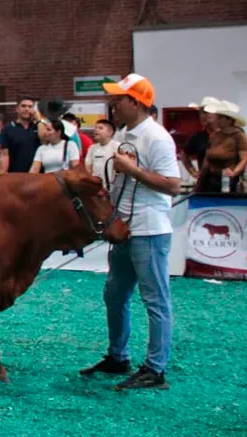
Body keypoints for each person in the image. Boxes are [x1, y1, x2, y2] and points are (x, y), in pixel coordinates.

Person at [81, 73, 181, 391]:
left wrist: (132, 170)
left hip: (149, 229)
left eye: (118, 100)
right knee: (114, 294)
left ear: (136, 103)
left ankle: (155, 368)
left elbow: (173, 185)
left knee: (155, 299)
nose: (114, 106)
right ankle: (118, 356)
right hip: (126, 227)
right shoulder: (127, 133)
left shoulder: (157, 137)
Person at [195, 100, 247, 193]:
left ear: (229, 120)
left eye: (220, 117)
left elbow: (244, 159)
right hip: (211, 180)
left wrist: (234, 173)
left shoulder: (238, 135)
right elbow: (207, 160)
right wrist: (199, 181)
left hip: (229, 181)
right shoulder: (215, 136)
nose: (217, 120)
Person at [180, 97, 220, 181]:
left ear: (217, 114)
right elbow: (184, 154)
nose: (202, 116)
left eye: (206, 113)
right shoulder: (199, 137)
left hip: (228, 185)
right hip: (205, 186)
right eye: (200, 113)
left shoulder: (229, 134)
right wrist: (193, 172)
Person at [0, 97, 41, 174]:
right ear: (17, 109)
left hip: (37, 175)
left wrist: (39, 120)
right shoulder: (8, 128)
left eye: (30, 107)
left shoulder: (38, 127)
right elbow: (4, 154)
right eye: (23, 106)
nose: (27, 109)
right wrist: (2, 175)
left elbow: (45, 140)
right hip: (15, 175)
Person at [85, 119, 119, 188]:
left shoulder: (117, 146)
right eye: (95, 128)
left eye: (100, 128)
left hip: (113, 187)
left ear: (110, 132)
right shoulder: (92, 148)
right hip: (96, 187)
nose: (96, 130)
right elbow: (88, 167)